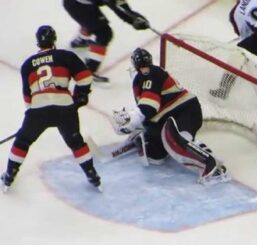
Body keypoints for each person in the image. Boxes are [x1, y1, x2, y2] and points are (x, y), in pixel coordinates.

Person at [1, 25, 101, 192]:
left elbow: (28, 98)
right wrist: (80, 96)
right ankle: (92, 174)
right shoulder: (65, 56)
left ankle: (10, 174)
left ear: (37, 42)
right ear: (54, 39)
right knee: (76, 143)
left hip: (38, 110)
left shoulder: (27, 65)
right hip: (64, 108)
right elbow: (85, 77)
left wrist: (33, 117)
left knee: (23, 141)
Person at [111, 48, 230, 184]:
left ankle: (211, 164)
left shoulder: (152, 73)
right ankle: (144, 137)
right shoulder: (140, 78)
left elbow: (150, 106)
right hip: (165, 116)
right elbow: (149, 110)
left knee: (173, 140)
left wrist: (132, 119)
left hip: (184, 110)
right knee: (154, 157)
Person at [63, 0, 150, 83]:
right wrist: (133, 20)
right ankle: (88, 70)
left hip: (79, 3)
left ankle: (81, 40)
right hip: (77, 5)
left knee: (94, 21)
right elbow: (117, 7)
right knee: (104, 33)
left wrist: (136, 18)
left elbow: (121, 6)